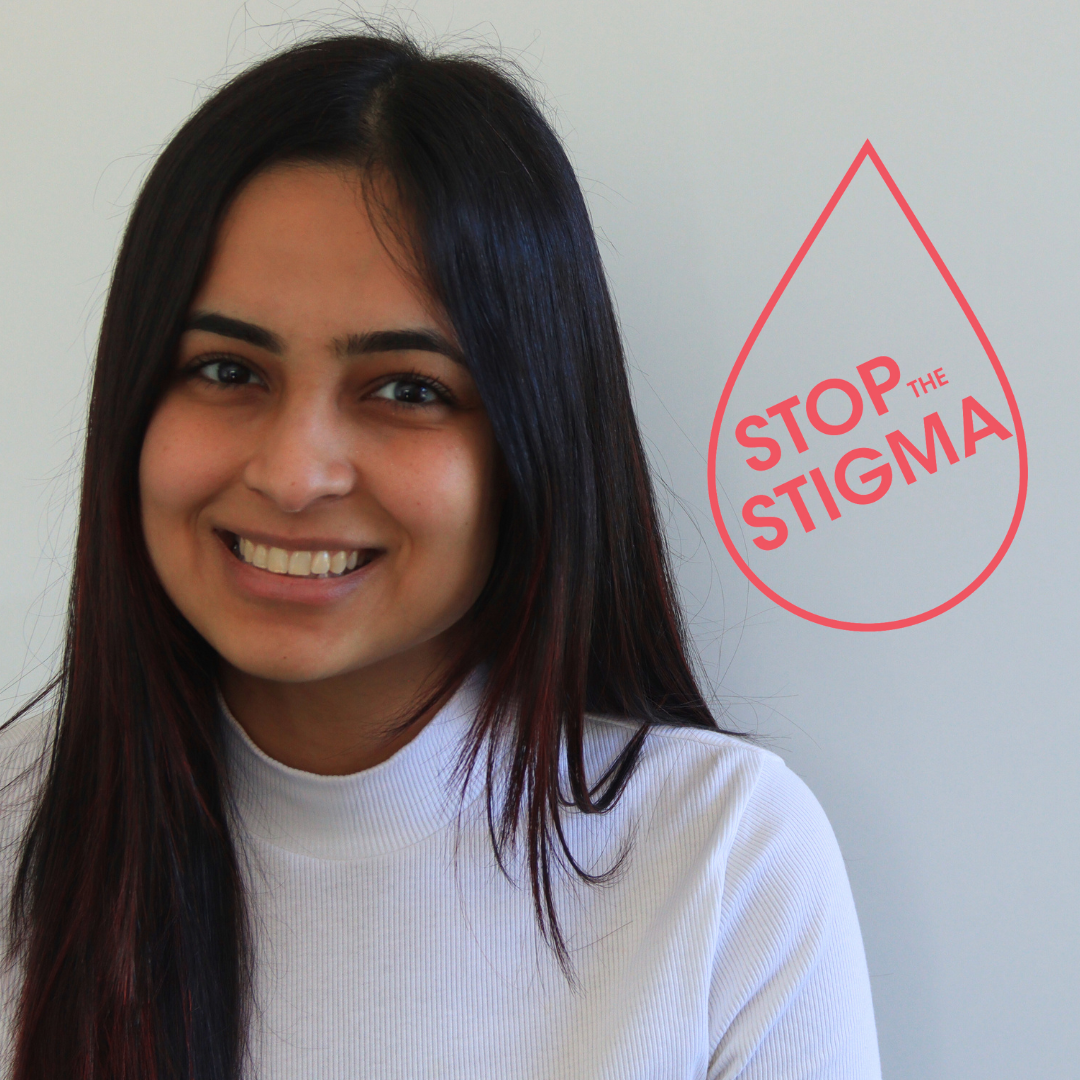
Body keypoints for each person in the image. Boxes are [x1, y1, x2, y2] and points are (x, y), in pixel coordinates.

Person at [0, 31, 880, 1080]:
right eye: (227, 369)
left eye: (407, 389)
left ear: (530, 445)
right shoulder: (19, 829)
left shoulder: (723, 859)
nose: (293, 474)